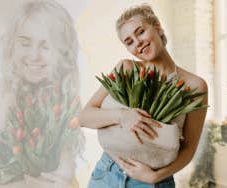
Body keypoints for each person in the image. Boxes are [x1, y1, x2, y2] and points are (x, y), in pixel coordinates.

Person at [79, 4, 208, 188]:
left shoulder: (194, 86)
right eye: (129, 42)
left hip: (151, 181)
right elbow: (84, 117)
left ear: (157, 27)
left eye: (140, 32)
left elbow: (188, 149)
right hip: (107, 173)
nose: (137, 42)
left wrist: (155, 177)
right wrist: (123, 116)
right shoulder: (126, 69)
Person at [0, 1, 83, 187]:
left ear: (63, 52)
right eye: (25, 43)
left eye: (46, 46)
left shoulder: (59, 95)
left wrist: (66, 173)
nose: (34, 56)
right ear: (12, 45)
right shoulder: (3, 95)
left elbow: (64, 169)